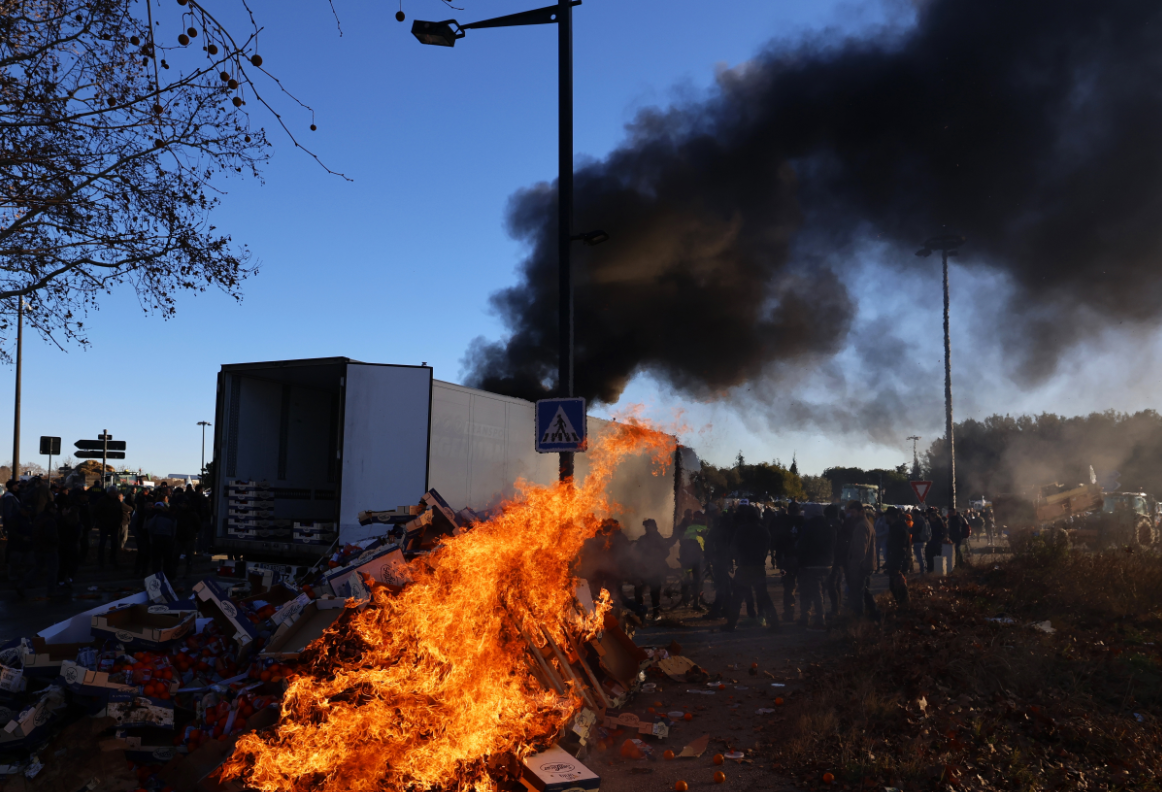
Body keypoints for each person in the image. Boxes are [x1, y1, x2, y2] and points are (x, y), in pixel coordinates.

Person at [726, 504, 775, 631]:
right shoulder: (764, 530)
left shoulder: (741, 529)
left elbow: (733, 548)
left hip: (744, 567)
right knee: (764, 596)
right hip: (758, 567)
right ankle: (775, 624)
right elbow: (767, 548)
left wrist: (737, 559)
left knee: (737, 597)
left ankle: (731, 624)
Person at [796, 503, 837, 630]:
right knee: (819, 591)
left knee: (809, 591)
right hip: (827, 563)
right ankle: (812, 617)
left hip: (811, 563)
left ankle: (816, 618)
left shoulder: (808, 526)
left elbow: (802, 544)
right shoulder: (828, 526)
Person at [630, 518, 676, 620]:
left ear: (654, 527)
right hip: (644, 570)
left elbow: (666, 552)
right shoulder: (643, 539)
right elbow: (637, 552)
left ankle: (656, 613)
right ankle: (641, 611)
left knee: (655, 593)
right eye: (646, 527)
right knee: (638, 591)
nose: (647, 529)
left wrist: (656, 558)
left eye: (649, 527)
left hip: (656, 571)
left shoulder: (659, 539)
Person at [17, 500, 60, 599]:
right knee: (53, 570)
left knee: (37, 568)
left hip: (38, 547)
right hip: (49, 548)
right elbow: (51, 536)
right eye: (55, 509)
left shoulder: (39, 518)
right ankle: (51, 591)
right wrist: (56, 542)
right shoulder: (50, 520)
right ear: (51, 509)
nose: (56, 511)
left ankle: (22, 585)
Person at [845, 501, 880, 620]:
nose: (851, 515)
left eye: (853, 512)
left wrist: (854, 565)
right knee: (864, 591)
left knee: (858, 593)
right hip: (867, 564)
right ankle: (874, 614)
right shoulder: (867, 524)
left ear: (861, 512)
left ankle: (859, 616)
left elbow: (860, 549)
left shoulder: (861, 526)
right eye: (850, 512)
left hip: (861, 566)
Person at [772, 502, 802, 623]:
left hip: (786, 561)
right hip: (801, 560)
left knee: (788, 586)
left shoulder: (782, 522)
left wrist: (778, 559)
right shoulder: (803, 522)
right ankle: (805, 613)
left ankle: (789, 613)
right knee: (803, 586)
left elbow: (777, 541)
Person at [677, 510, 707, 610]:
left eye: (691, 515)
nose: (690, 517)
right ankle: (690, 600)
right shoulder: (683, 527)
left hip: (691, 556)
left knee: (693, 579)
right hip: (690, 557)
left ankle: (693, 601)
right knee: (691, 580)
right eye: (688, 515)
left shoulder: (692, 527)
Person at [827, 502, 852, 617]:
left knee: (832, 583)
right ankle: (838, 607)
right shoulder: (842, 524)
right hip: (842, 558)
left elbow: (832, 543)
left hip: (835, 558)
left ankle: (835, 609)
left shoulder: (832, 526)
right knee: (837, 583)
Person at [883, 508, 911, 607]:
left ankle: (905, 609)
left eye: (886, 515)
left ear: (890, 516)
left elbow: (901, 549)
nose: (885, 517)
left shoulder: (898, 529)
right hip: (896, 563)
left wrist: (898, 567)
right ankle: (904, 608)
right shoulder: (896, 527)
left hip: (899, 564)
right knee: (895, 587)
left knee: (898, 588)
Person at [147, 500, 177, 580]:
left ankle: (156, 576)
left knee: (156, 559)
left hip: (157, 538)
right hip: (167, 539)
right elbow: (174, 531)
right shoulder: (172, 519)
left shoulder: (157, 516)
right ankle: (167, 577)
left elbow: (150, 526)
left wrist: (152, 535)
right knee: (167, 559)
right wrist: (171, 539)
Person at [94, 489, 124, 568]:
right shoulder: (102, 500)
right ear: (109, 493)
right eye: (113, 493)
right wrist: (101, 522)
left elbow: (120, 512)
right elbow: (97, 512)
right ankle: (101, 560)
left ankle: (112, 559)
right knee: (103, 542)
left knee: (114, 543)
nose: (115, 494)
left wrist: (119, 521)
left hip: (114, 525)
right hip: (105, 524)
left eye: (115, 493)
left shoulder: (116, 501)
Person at [925, 507, 947, 573]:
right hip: (937, 541)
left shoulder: (935, 524)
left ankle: (931, 569)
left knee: (931, 555)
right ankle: (934, 568)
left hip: (935, 541)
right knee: (935, 555)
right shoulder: (940, 523)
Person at [911, 508, 931, 573]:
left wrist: (908, 529)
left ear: (915, 514)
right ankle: (924, 568)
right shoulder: (924, 519)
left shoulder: (918, 520)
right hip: (923, 539)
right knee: (922, 555)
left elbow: (914, 530)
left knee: (920, 556)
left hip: (918, 540)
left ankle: (923, 570)